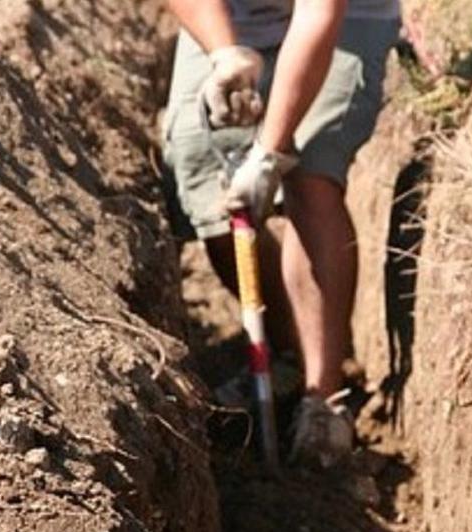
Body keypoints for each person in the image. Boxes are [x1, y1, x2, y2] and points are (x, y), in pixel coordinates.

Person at [162, 0, 400, 467]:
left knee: (310, 174)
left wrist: (270, 153)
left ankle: (324, 399)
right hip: (237, 17)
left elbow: (320, 13)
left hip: (344, 20)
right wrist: (224, 52)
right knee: (208, 185)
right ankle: (286, 349)